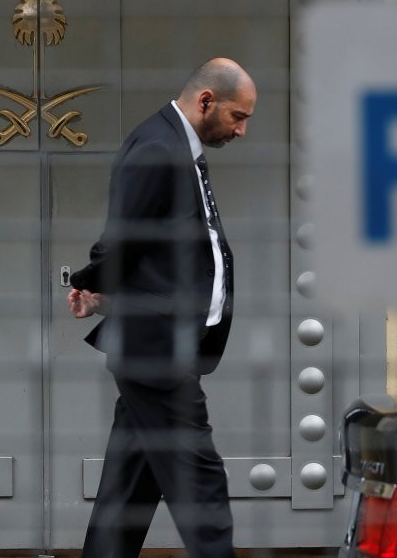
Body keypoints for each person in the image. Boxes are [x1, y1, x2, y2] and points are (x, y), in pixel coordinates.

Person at [67, 57, 257, 558]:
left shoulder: (180, 145)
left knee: (127, 491)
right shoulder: (159, 147)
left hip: (161, 340)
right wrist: (91, 282)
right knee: (204, 486)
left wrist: (107, 297)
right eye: (238, 117)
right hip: (157, 350)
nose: (241, 131)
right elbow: (123, 239)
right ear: (206, 101)